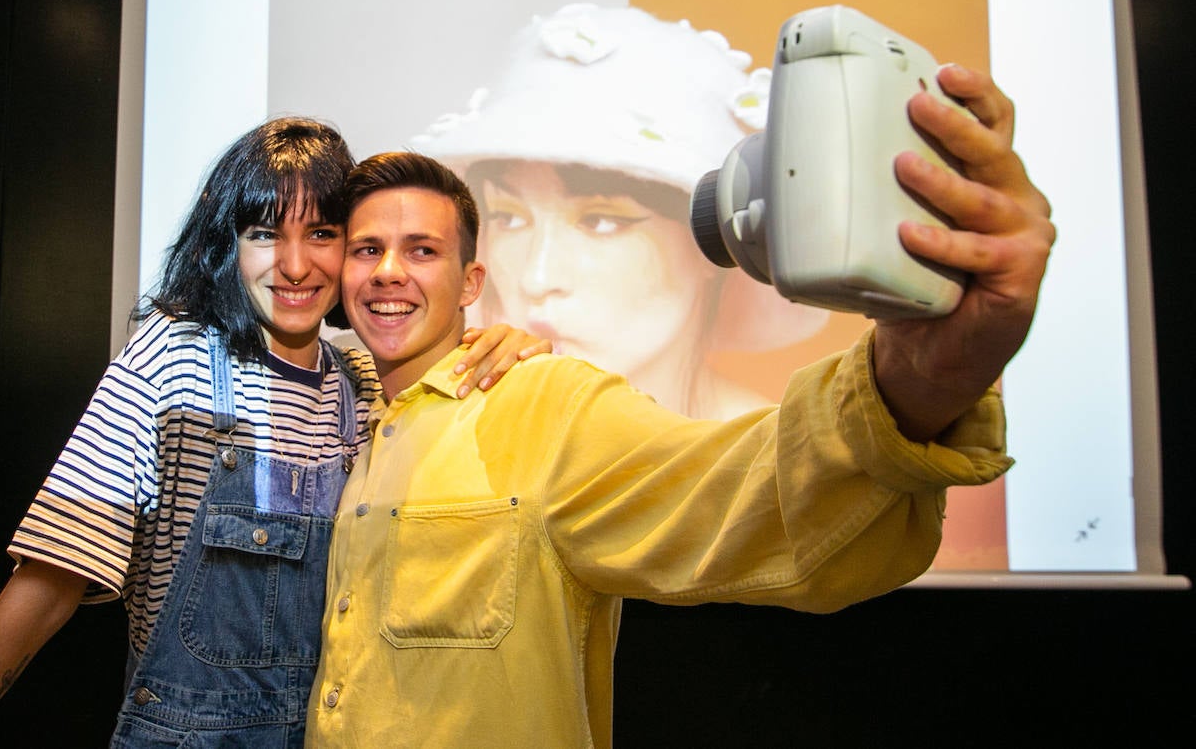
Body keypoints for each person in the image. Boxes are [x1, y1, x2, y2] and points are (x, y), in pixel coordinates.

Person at [305, 62, 1054, 748]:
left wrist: (923, 374)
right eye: (367, 251)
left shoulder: (544, 404)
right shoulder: (344, 426)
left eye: (423, 251)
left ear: (472, 282)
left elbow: (742, 493)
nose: (388, 273)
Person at [0, 117, 548, 749]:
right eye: (264, 233)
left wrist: (500, 344)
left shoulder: (363, 384)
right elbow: (41, 593)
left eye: (322, 234)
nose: (294, 266)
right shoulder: (172, 362)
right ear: (226, 245)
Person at [409, 3, 831, 418]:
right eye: (508, 217)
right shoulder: (442, 436)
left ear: (709, 241)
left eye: (600, 221)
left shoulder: (776, 460)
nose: (537, 278)